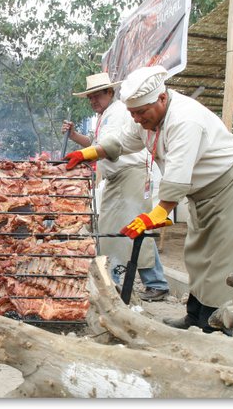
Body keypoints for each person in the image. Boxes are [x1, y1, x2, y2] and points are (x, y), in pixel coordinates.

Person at [65, 65, 233, 335]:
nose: (137, 119)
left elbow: (178, 173)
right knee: (198, 255)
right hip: (201, 192)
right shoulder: (146, 119)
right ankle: (194, 316)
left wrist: (158, 212)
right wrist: (90, 153)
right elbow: (122, 141)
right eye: (133, 113)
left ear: (162, 98)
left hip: (228, 186)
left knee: (222, 258)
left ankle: (216, 328)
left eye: (141, 112)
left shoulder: (185, 120)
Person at [64, 72, 169, 301]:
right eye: (90, 97)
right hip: (116, 178)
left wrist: (86, 156)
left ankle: (139, 283)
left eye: (97, 96)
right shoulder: (105, 115)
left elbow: (109, 147)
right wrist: (75, 137)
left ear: (110, 92)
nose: (93, 101)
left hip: (129, 174)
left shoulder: (119, 111)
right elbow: (96, 145)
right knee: (121, 231)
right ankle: (127, 281)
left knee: (128, 230)